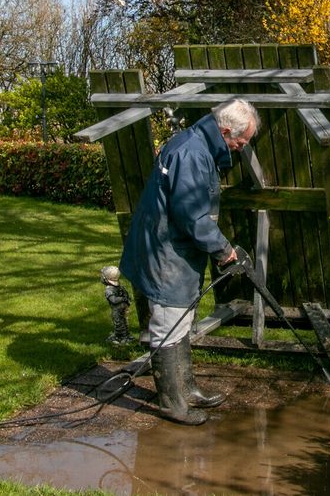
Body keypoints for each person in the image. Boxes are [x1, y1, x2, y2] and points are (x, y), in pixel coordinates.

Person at [119, 98, 259, 425]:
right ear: (225, 131)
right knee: (168, 325)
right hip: (164, 252)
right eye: (242, 140)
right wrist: (225, 251)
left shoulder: (195, 143)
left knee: (180, 320)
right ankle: (172, 404)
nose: (242, 147)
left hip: (172, 249)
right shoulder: (192, 153)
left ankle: (187, 388)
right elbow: (193, 217)